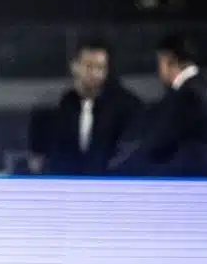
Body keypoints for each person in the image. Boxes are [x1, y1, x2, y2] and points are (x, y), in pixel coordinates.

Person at [113, 35, 207, 176]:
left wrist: (120, 169)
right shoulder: (206, 86)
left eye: (159, 63)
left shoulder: (187, 96)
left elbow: (159, 143)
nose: (158, 71)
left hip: (191, 180)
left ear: (168, 60)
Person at [27, 41, 140, 175]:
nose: (95, 74)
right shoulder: (53, 110)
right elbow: (36, 160)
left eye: (101, 67)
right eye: (89, 66)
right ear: (74, 67)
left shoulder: (126, 108)